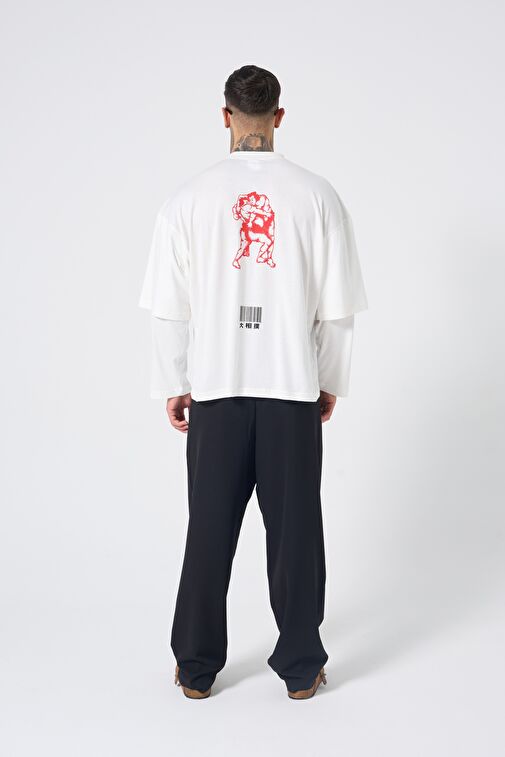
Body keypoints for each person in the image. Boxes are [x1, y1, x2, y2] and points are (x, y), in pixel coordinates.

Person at [138, 64, 368, 700]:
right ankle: (301, 667)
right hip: (291, 388)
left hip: (216, 389)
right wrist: (328, 379)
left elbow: (169, 308)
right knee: (296, 534)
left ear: (225, 116)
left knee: (208, 530)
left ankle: (196, 667)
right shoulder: (318, 196)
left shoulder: (188, 199)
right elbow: (337, 309)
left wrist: (175, 380)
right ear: (279, 116)